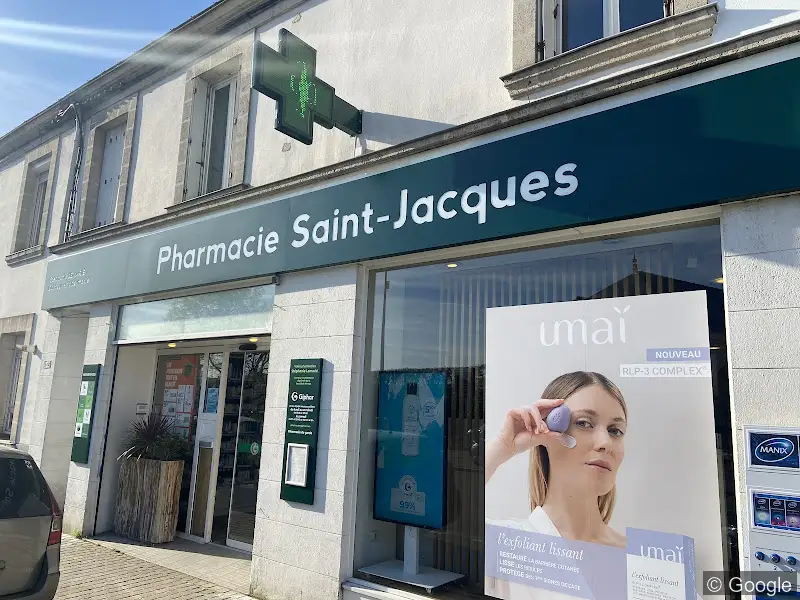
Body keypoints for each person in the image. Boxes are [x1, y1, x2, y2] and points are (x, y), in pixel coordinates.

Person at [484, 371, 628, 600]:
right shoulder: (503, 547)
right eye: (583, 423)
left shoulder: (651, 562)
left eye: (615, 431)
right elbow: (425, 530)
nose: (605, 443)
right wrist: (502, 447)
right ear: (548, 432)